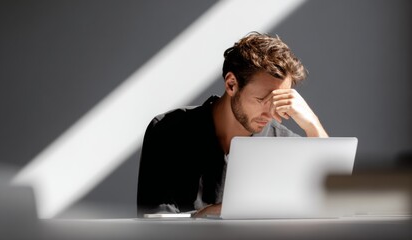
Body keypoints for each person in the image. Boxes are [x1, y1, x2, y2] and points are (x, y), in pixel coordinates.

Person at [136, 32, 328, 218]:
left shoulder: (284, 142)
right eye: (262, 99)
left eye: (279, 101)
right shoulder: (169, 131)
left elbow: (330, 203)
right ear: (231, 84)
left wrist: (312, 124)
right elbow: (156, 224)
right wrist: (207, 216)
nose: (271, 113)